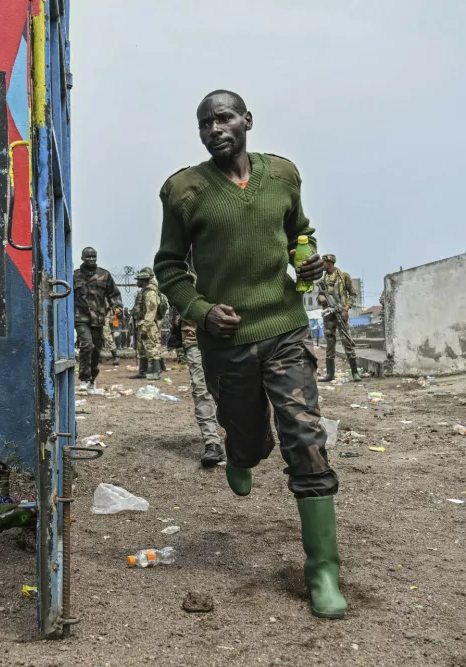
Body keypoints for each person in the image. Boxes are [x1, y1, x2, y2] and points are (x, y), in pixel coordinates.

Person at [154, 89, 346, 619]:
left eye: (224, 118)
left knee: (304, 437)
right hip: (228, 342)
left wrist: (307, 262)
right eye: (205, 123)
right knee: (249, 437)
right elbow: (168, 266)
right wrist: (200, 308)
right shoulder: (185, 191)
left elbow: (298, 236)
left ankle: (323, 570)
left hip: (283, 326)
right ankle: (241, 454)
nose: (215, 128)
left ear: (247, 121)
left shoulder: (282, 176)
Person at [173, 279, 226, 467]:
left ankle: (237, 437)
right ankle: (212, 442)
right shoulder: (183, 275)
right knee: (201, 389)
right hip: (194, 338)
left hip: (229, 336)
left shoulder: (225, 262)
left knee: (229, 388)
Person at [72, 247, 122, 389]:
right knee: (86, 345)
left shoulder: (104, 275)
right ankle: (84, 378)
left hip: (98, 319)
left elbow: (114, 294)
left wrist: (117, 307)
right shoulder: (75, 276)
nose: (91, 259)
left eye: (93, 257)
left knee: (96, 350)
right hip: (80, 317)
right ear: (82, 258)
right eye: (88, 257)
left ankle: (92, 378)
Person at [316, 254, 360, 382]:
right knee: (330, 343)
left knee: (347, 341)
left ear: (329, 262)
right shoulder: (323, 280)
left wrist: (346, 309)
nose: (321, 266)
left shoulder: (344, 276)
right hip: (328, 316)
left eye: (323, 263)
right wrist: (321, 298)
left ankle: (355, 372)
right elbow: (319, 296)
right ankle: (330, 374)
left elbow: (353, 294)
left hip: (341, 313)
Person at [131, 268, 163, 380]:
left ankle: (156, 372)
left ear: (143, 280)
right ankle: (142, 372)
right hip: (142, 323)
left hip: (149, 325)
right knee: (142, 349)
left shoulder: (150, 293)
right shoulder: (144, 291)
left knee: (152, 348)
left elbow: (151, 311)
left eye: (138, 280)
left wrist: (145, 328)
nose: (137, 282)